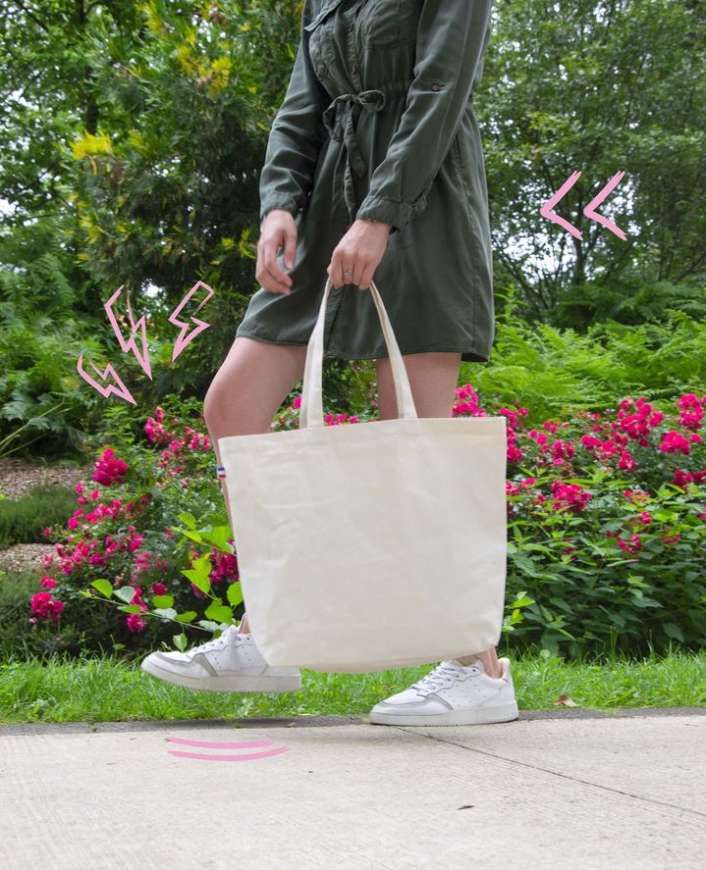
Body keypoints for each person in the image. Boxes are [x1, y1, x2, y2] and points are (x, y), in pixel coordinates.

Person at [141, 0, 519, 727]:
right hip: (325, 210)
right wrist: (279, 203)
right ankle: (272, 633)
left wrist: (381, 215)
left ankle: (479, 668)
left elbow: (444, 87)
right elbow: (301, 104)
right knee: (233, 407)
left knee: (412, 439)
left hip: (422, 202)